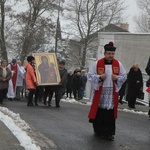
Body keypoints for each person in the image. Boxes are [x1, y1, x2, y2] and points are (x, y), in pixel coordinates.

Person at [87, 41, 126, 141]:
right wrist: (100, 77)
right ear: (104, 53)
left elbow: (124, 76)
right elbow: (90, 75)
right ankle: (98, 130)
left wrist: (116, 78)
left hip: (112, 93)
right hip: (101, 92)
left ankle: (109, 133)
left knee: (110, 113)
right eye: (109, 53)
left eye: (112, 54)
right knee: (100, 111)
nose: (111, 55)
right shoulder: (98, 63)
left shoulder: (118, 64)